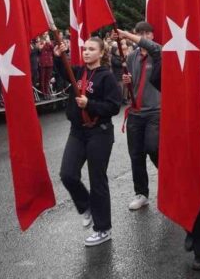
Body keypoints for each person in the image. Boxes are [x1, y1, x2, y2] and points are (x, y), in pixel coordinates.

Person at [150, 37, 200, 271]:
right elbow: (156, 79)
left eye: (194, 43)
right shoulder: (176, 73)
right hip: (179, 143)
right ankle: (192, 229)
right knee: (183, 192)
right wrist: (164, 56)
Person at [54, 37, 122, 247]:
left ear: (101, 53)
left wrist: (89, 104)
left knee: (97, 180)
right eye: (85, 49)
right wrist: (58, 56)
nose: (86, 52)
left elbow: (114, 106)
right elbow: (64, 71)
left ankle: (103, 229)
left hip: (99, 132)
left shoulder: (107, 77)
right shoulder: (78, 71)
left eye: (92, 49)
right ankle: (86, 206)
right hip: (77, 131)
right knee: (67, 174)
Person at [116, 23, 161, 211]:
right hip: (135, 111)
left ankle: (170, 178)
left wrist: (126, 34)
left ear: (152, 35)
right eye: (140, 33)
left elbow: (151, 46)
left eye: (146, 33)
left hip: (155, 111)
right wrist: (128, 81)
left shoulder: (158, 53)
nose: (143, 36)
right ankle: (141, 193)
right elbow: (133, 84)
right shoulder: (131, 56)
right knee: (136, 154)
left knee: (153, 147)